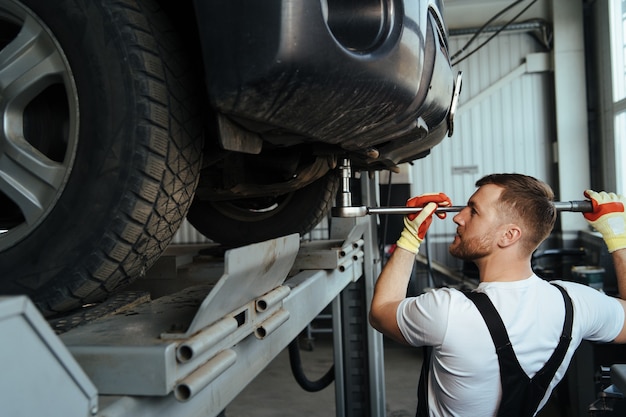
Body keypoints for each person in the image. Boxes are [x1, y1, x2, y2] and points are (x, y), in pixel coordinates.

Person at [369, 173, 626, 417]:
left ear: (509, 235)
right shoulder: (576, 303)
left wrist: (410, 237)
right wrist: (617, 238)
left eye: (474, 210)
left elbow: (381, 312)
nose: (458, 218)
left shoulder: (449, 310)